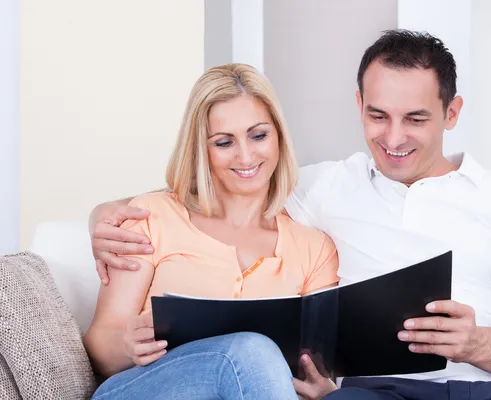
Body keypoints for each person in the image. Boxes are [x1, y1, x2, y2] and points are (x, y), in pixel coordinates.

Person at [88, 31, 491, 400]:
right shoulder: (326, 187)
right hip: (377, 393)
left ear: (453, 113)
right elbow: (225, 184)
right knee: (263, 359)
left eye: (415, 119)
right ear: (358, 105)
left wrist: (477, 342)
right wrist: (104, 214)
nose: (393, 139)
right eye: (378, 116)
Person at [83, 63, 340, 400]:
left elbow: (317, 369)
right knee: (249, 350)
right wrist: (126, 345)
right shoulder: (150, 217)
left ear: (278, 136)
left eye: (258, 135)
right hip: (145, 389)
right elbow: (101, 345)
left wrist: (324, 389)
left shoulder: (313, 249)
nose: (245, 156)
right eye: (223, 142)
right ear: (201, 149)